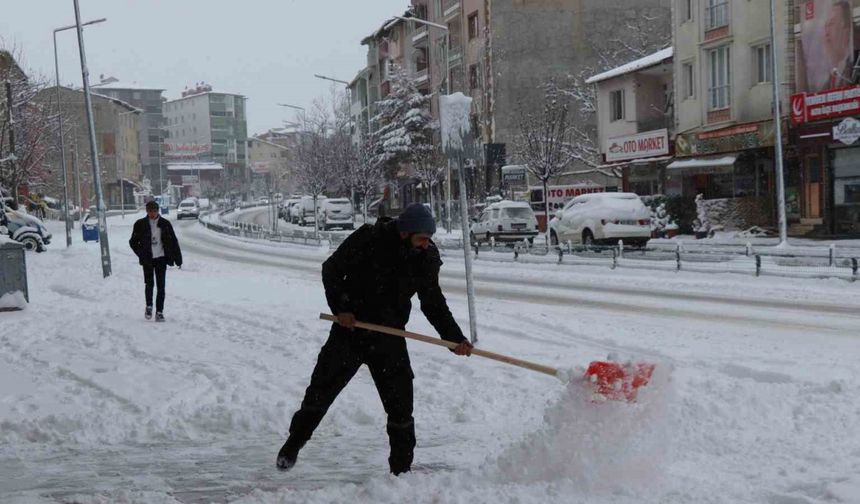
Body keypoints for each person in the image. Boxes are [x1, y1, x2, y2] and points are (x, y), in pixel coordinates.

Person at [277, 203, 473, 475]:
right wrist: (341, 309)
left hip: (389, 338)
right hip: (350, 332)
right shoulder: (369, 238)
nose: (427, 245)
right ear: (405, 233)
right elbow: (331, 270)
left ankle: (401, 470)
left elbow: (433, 303)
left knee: (401, 407)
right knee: (320, 393)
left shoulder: (425, 258)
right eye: (423, 238)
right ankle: (293, 445)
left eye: (429, 239)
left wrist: (455, 339)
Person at [129, 200, 182, 322]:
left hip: (161, 258)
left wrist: (178, 259)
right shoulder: (140, 224)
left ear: (158, 211)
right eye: (150, 211)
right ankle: (149, 306)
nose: (152, 213)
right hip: (147, 259)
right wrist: (141, 254)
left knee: (161, 286)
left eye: (154, 211)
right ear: (147, 211)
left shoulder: (165, 224)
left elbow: (173, 241)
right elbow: (133, 242)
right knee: (149, 284)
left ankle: (159, 312)